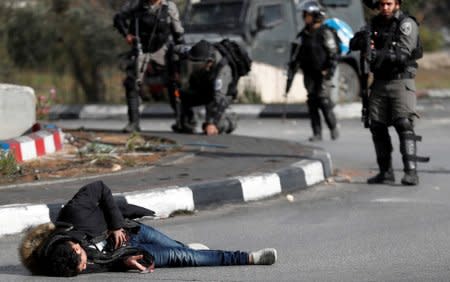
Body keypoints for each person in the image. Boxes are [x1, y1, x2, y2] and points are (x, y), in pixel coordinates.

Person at [19, 181, 277, 277]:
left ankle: (188, 249)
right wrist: (127, 261)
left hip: (134, 231)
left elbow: (99, 187)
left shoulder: (74, 214)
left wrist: (115, 225)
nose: (86, 267)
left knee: (182, 251)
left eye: (83, 262)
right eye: (82, 270)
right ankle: (250, 257)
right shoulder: (64, 265)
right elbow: (105, 264)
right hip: (132, 252)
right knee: (187, 257)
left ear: (74, 245)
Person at [350, 0, 429, 185]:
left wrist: (376, 55)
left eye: (389, 3)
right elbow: (353, 43)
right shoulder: (374, 23)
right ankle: (385, 172)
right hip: (379, 81)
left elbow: (402, 55)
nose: (385, 8)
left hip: (401, 80)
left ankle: (411, 172)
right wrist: (362, 40)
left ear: (397, 4)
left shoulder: (406, 24)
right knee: (377, 126)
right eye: (382, 4)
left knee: (403, 124)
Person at [113, 0, 185, 133]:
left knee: (174, 83)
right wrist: (126, 35)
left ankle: (183, 120)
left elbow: (178, 32)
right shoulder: (135, 4)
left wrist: (178, 55)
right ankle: (133, 122)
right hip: (141, 48)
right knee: (132, 82)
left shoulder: (169, 7)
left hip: (162, 48)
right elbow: (118, 18)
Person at [287, 0, 340, 142]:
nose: (304, 17)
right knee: (312, 102)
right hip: (309, 73)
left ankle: (333, 127)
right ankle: (317, 133)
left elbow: (333, 54)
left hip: (322, 73)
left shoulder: (325, 32)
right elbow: (297, 55)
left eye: (307, 14)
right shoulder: (303, 34)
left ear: (315, 15)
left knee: (323, 100)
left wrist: (329, 71)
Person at [172, 40, 242, 136]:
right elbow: (174, 49)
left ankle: (231, 121)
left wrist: (213, 124)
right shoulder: (192, 52)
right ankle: (188, 122)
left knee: (216, 126)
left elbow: (219, 100)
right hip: (204, 86)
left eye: (198, 63)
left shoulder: (223, 70)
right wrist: (176, 71)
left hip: (222, 94)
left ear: (209, 62)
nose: (194, 65)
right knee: (179, 94)